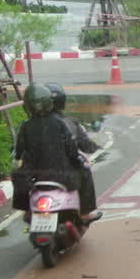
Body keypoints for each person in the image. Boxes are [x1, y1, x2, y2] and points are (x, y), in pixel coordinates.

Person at [13, 83, 96, 221]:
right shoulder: (61, 123)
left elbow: (18, 152)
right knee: (85, 170)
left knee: (17, 175)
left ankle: (28, 210)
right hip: (61, 175)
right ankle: (85, 213)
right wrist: (78, 161)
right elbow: (71, 150)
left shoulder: (25, 126)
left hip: (34, 176)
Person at [47, 83, 101, 221]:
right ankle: (85, 212)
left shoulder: (29, 124)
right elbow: (83, 146)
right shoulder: (68, 123)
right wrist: (95, 147)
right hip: (63, 172)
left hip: (36, 171)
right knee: (85, 169)